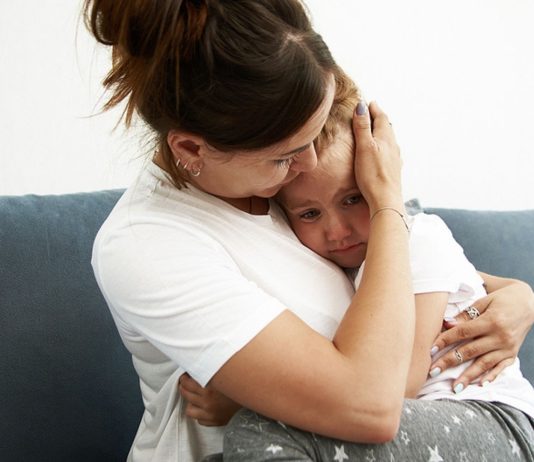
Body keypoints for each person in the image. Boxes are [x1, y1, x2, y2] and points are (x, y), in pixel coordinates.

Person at [83, 0, 534, 461]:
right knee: (259, 430)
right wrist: (386, 203)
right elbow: (373, 407)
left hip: (462, 418)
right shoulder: (148, 244)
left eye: (312, 137)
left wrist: (518, 297)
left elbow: (426, 270)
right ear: (191, 148)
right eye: (286, 154)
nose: (309, 165)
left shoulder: (288, 187)